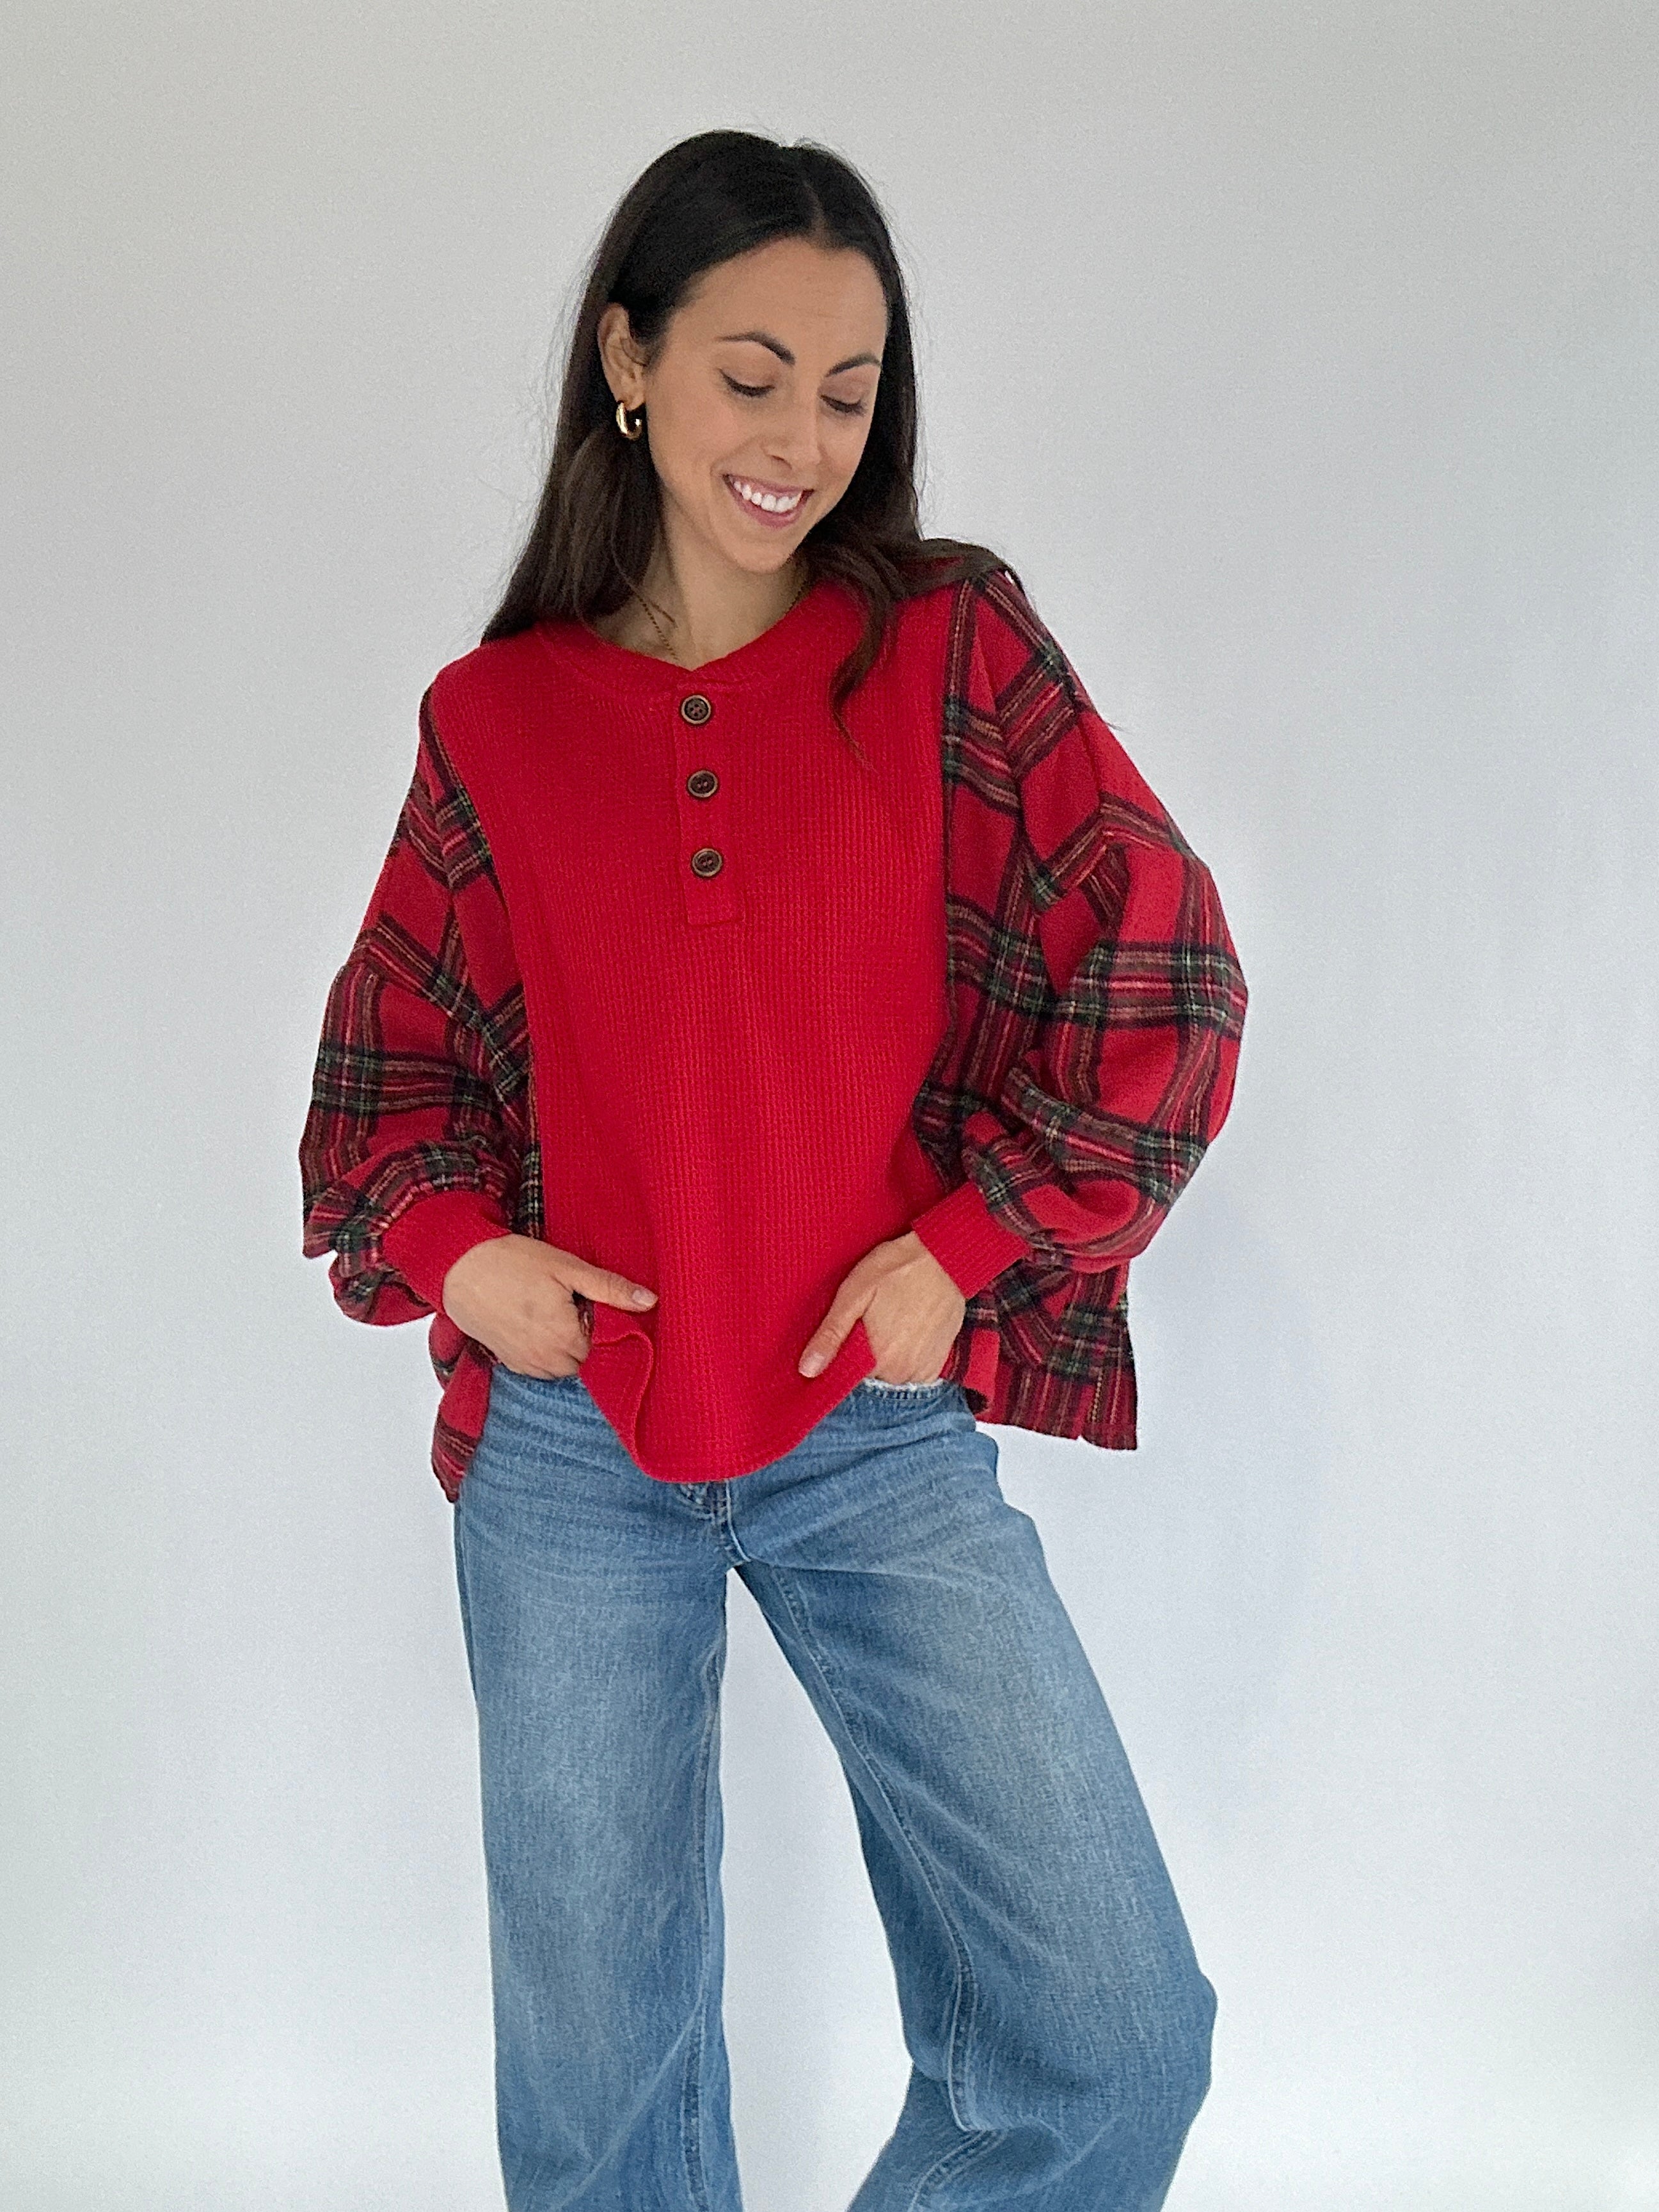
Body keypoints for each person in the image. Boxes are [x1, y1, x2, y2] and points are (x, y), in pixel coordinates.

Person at [299, 128, 1247, 2212]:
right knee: (602, 2115)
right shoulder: (494, 719)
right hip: (574, 1443)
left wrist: (963, 1248)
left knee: (1110, 2033)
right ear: (627, 361)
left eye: (845, 390)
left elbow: (1163, 971)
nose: (800, 441)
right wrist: (464, 1258)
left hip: (868, 1428)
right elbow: (383, 1084)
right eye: (750, 376)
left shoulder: (948, 647)